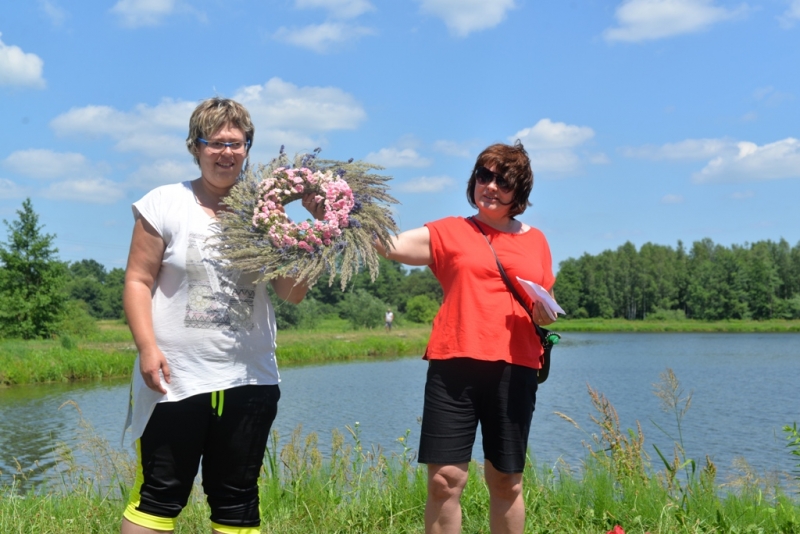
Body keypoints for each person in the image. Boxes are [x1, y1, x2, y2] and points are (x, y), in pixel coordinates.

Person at [121, 97, 324, 534]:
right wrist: (147, 348)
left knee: (237, 499)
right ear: (195, 147)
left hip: (250, 379)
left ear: (248, 148)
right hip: (174, 378)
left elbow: (292, 293)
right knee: (159, 495)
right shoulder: (163, 203)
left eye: (236, 143)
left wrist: (317, 235)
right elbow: (137, 280)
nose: (226, 153)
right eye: (214, 143)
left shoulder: (265, 213)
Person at [374, 141, 556, 534]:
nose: (491, 186)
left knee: (506, 481)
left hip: (515, 367)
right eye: (484, 176)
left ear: (519, 192)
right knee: (445, 481)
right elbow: (387, 245)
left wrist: (546, 311)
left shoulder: (537, 240)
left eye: (503, 181)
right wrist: (340, 213)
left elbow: (546, 299)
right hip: (453, 366)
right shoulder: (450, 231)